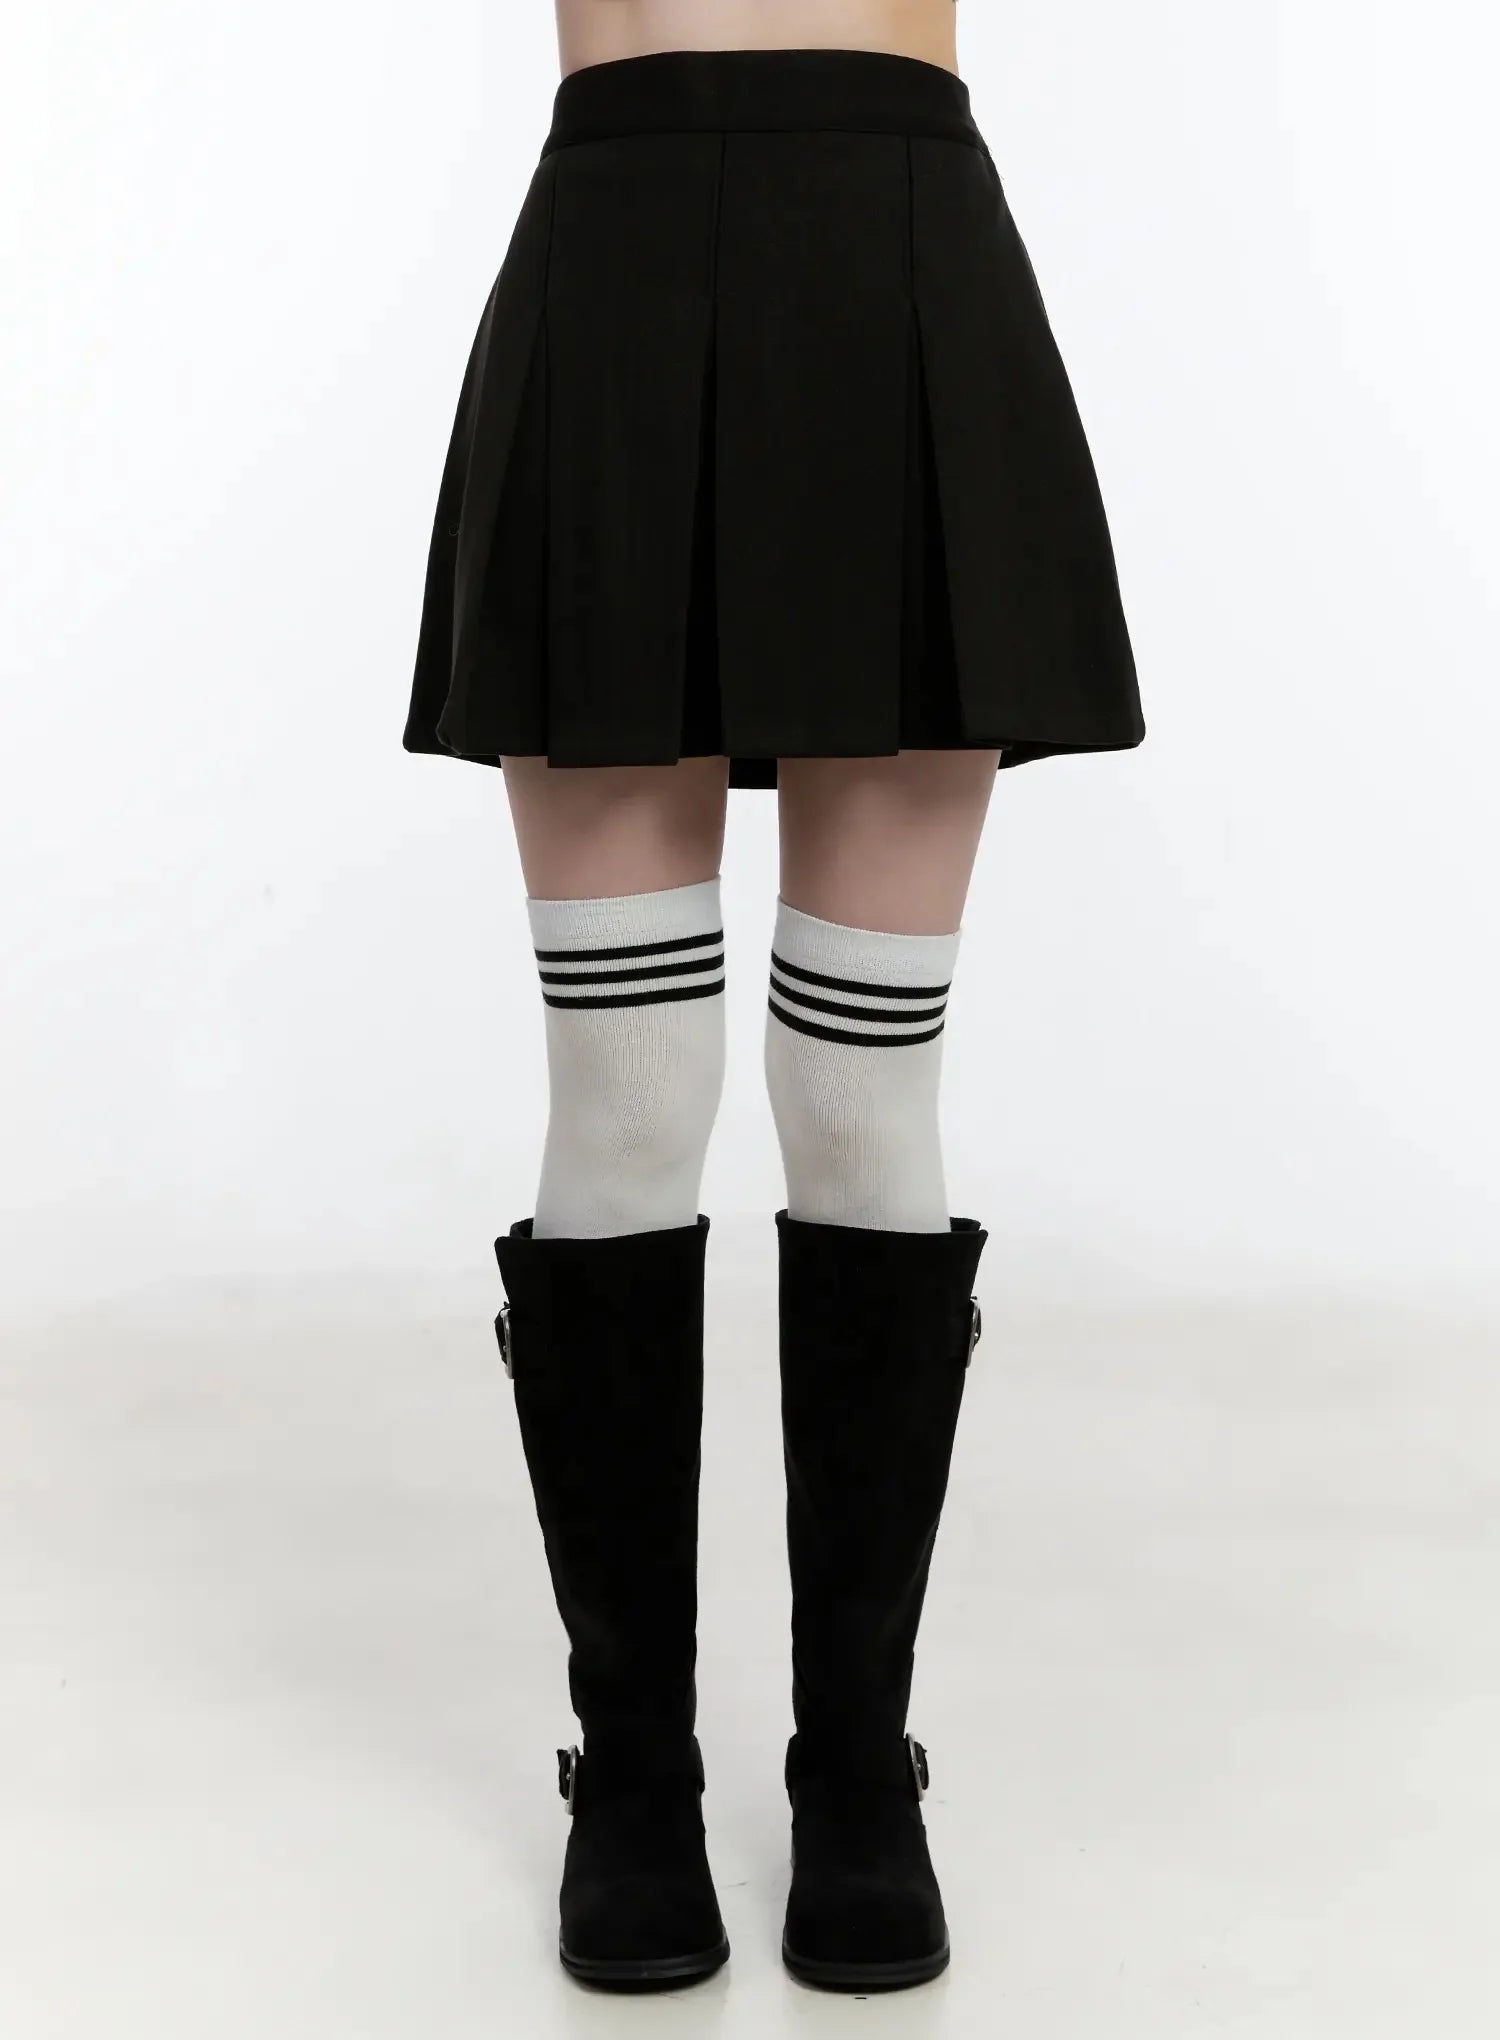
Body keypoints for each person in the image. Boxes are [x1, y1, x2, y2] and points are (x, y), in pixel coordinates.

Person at [403, 0, 1144, 1995]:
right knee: (629, 1095)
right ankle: (635, 1775)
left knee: (860, 1094)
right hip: (621, 263)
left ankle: (856, 1774)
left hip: (902, 265)